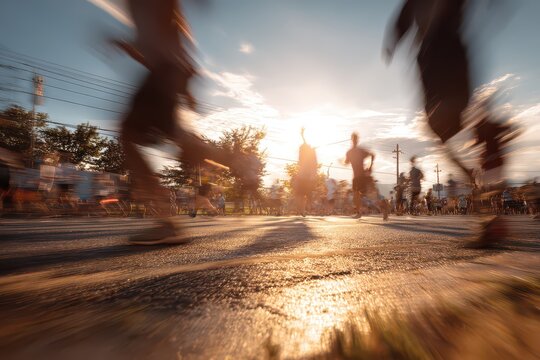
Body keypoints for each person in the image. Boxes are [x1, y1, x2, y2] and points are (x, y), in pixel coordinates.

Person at [108, 1, 258, 244]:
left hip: (165, 74)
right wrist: (130, 48)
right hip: (166, 73)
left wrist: (183, 79)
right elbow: (158, 43)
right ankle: (237, 161)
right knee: (181, 143)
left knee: (129, 134)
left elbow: (172, 30)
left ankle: (166, 221)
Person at [384, 0, 516, 245]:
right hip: (440, 60)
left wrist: (395, 38)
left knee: (443, 124)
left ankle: (475, 181)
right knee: (443, 127)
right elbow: (405, 17)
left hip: (442, 56)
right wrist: (395, 37)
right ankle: (476, 185)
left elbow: (406, 18)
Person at [345, 132, 374, 219]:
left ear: (357, 140)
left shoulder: (359, 151)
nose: (355, 141)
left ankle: (383, 205)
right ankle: (359, 212)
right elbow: (346, 162)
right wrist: (343, 161)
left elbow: (372, 155)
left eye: (355, 139)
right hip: (356, 177)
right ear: (353, 140)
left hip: (362, 176)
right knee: (356, 195)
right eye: (354, 139)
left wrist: (370, 167)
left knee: (362, 195)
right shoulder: (349, 152)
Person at [294, 128, 318, 217]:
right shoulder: (307, 154)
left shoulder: (305, 154)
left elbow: (305, 144)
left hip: (305, 177)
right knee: (302, 194)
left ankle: (304, 209)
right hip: (304, 177)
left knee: (303, 194)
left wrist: (302, 135)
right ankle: (304, 209)